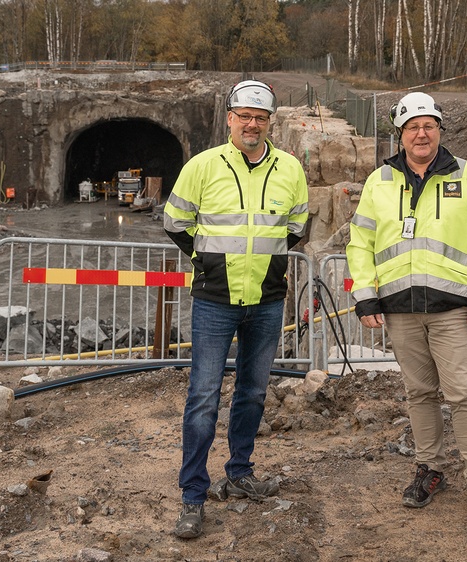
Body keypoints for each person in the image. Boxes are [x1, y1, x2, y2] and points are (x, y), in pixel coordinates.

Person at [346, 92, 467, 523]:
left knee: (463, 393)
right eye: (413, 127)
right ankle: (430, 469)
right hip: (400, 309)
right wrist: (365, 295)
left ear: (439, 130)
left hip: (454, 308)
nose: (421, 133)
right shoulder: (379, 181)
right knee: (419, 393)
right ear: (400, 134)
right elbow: (360, 242)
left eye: (429, 125)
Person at [163, 79, 309, 539]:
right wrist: (205, 260)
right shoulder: (203, 166)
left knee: (253, 392)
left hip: (266, 300)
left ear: (270, 123)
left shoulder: (290, 169)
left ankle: (240, 472)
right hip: (214, 299)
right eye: (244, 115)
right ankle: (192, 494)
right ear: (230, 119)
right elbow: (175, 222)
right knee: (203, 398)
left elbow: (296, 227)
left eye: (260, 118)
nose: (252, 124)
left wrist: (264, 266)